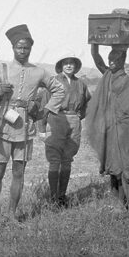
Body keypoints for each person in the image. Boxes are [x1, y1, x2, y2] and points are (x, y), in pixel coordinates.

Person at [0, 24, 65, 233]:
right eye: (19, 47)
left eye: (26, 48)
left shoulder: (39, 71)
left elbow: (58, 90)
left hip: (24, 128)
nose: (23, 51)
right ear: (13, 48)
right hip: (1, 126)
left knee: (18, 172)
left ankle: (12, 215)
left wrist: (46, 111)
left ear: (31, 49)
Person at [85, 44, 129, 206]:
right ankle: (117, 199)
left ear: (123, 61)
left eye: (116, 59)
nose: (112, 62)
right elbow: (98, 60)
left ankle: (128, 201)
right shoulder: (108, 75)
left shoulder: (127, 81)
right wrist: (94, 45)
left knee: (124, 163)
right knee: (112, 162)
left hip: (124, 130)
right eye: (110, 59)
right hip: (109, 128)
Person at [43, 54, 91, 206]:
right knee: (54, 160)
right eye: (66, 63)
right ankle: (53, 198)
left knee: (67, 160)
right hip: (56, 119)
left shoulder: (81, 83)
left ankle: (62, 197)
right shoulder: (53, 81)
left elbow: (88, 103)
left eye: (72, 63)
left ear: (76, 66)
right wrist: (42, 128)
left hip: (74, 121)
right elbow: (44, 104)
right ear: (61, 65)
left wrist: (78, 116)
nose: (69, 66)